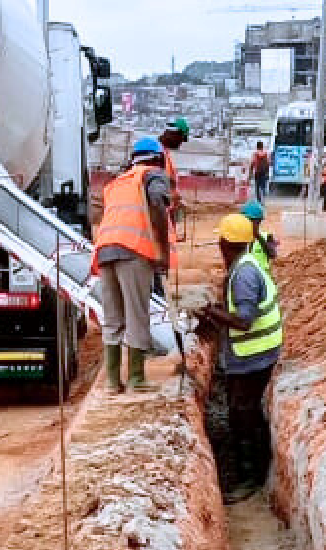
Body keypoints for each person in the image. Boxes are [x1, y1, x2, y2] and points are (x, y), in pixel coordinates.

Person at [194, 214, 283, 504]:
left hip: (252, 356)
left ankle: (250, 477)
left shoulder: (243, 274)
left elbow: (244, 321)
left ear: (226, 243)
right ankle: (254, 467)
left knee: (242, 414)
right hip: (257, 353)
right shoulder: (246, 264)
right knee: (245, 410)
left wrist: (212, 313)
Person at [88, 136, 173, 395]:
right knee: (137, 313)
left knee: (112, 317)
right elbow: (158, 204)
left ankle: (113, 382)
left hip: (105, 251)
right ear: (157, 158)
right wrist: (162, 250)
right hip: (133, 251)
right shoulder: (153, 176)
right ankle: (136, 378)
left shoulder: (118, 183)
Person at [158, 117, 190, 224]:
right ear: (174, 134)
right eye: (181, 138)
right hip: (159, 211)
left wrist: (176, 198)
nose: (181, 143)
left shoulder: (164, 153)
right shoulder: (156, 154)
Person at [239, 197, 279, 264]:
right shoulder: (237, 238)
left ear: (259, 222)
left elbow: (272, 255)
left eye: (253, 221)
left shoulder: (266, 237)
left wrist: (259, 238)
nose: (250, 224)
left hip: (261, 273)